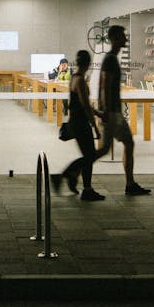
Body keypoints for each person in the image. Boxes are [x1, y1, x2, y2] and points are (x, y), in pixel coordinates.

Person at [96, 25, 151, 196]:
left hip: (112, 112)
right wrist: (105, 111)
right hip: (112, 113)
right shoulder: (110, 59)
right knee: (109, 148)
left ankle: (130, 183)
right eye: (122, 36)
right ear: (114, 39)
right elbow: (104, 87)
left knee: (124, 143)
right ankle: (72, 172)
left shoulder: (111, 59)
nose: (125, 39)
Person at [52, 49, 105, 201]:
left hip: (75, 121)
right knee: (89, 156)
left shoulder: (74, 78)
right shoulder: (80, 80)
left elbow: (81, 104)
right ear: (88, 64)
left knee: (88, 156)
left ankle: (73, 178)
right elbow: (85, 106)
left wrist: (98, 114)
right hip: (81, 123)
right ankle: (68, 178)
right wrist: (95, 126)